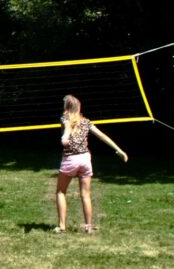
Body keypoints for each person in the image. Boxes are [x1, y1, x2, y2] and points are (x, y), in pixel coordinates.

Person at [55, 95, 128, 234]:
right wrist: (119, 150)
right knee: (86, 195)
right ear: (79, 107)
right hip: (85, 159)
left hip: (71, 159)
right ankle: (88, 227)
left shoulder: (65, 119)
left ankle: (62, 226)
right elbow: (102, 135)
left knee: (60, 192)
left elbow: (67, 129)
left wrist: (65, 138)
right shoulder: (86, 122)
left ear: (67, 107)